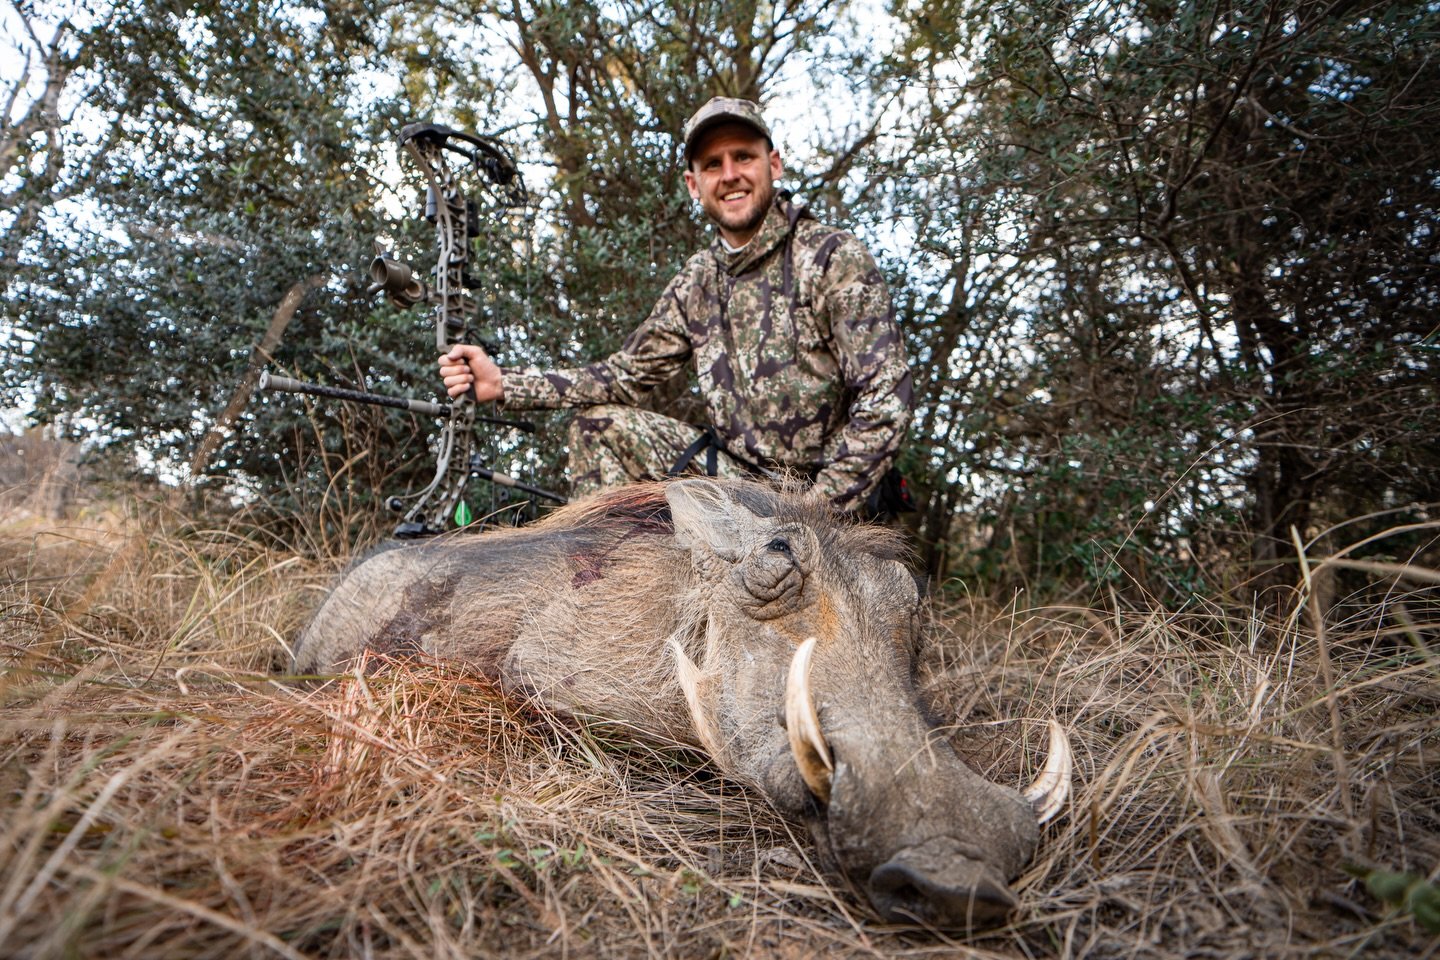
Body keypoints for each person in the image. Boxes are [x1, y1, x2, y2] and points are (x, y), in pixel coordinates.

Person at [439, 97, 913, 512]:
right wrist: (505, 385)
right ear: (693, 184)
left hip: (823, 496)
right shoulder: (697, 280)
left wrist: (817, 512)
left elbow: (885, 397)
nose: (729, 175)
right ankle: (601, 598)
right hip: (739, 484)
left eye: (743, 157)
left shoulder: (832, 257)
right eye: (712, 164)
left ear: (774, 164)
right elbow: (623, 377)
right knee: (598, 427)